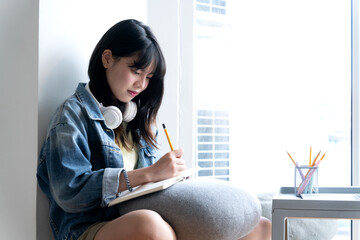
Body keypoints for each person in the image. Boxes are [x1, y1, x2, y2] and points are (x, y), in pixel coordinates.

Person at [37, 19, 271, 240]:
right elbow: (69, 192)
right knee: (150, 225)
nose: (142, 84)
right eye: (136, 71)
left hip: (141, 215)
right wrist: (150, 174)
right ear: (107, 59)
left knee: (259, 226)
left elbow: (147, 191)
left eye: (148, 76)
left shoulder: (138, 119)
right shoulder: (70, 116)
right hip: (87, 227)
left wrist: (171, 180)